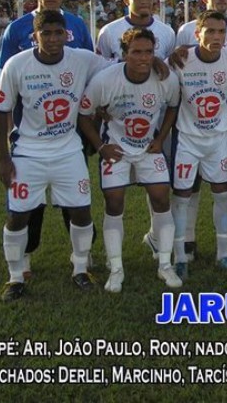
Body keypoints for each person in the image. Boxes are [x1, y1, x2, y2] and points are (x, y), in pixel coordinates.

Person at [0, 10, 108, 302]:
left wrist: (158, 62)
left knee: (81, 211)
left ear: (67, 35)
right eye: (46, 33)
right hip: (27, 153)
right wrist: (3, 159)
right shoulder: (17, 64)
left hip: (68, 150)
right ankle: (15, 277)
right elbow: (1, 112)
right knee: (18, 216)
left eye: (59, 33)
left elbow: (116, 69)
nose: (54, 39)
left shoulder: (82, 59)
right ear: (35, 36)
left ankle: (80, 268)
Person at [0, 0, 95, 280]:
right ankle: (25, 256)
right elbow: (7, 88)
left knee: (76, 200)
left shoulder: (77, 25)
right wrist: (10, 138)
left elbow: (93, 74)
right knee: (29, 205)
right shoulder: (16, 30)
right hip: (29, 136)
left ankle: (81, 256)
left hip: (71, 132)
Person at [78, 28, 181, 293]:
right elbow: (84, 114)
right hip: (116, 149)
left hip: (148, 148)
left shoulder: (165, 78)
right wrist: (101, 147)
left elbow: (173, 106)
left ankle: (165, 264)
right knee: (114, 202)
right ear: (124, 54)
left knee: (161, 197)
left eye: (149, 52)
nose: (143, 58)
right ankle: (116, 268)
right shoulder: (105, 80)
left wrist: (161, 138)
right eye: (136, 52)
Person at [173, 0, 227, 261]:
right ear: (197, 33)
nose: (217, 37)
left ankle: (223, 250)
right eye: (210, 32)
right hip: (187, 135)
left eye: (221, 32)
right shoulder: (181, 54)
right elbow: (170, 86)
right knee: (184, 192)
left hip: (220, 134)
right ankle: (183, 247)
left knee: (223, 191)